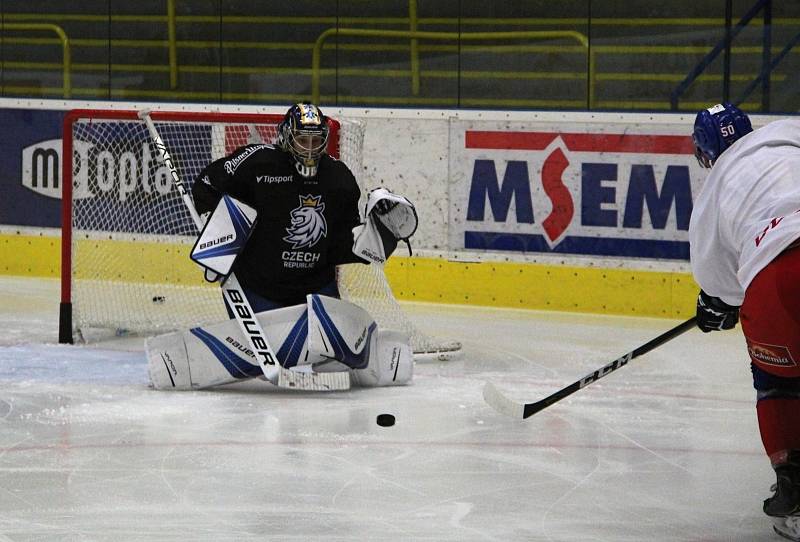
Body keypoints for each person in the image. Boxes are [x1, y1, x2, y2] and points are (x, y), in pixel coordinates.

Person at [689, 102, 800, 540]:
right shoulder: (791, 132)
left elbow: (719, 287)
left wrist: (718, 305)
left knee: (777, 376)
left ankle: (794, 479)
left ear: (704, 154)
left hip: (778, 277)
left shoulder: (715, 191)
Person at [191, 101, 401, 313]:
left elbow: (340, 242)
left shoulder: (339, 179)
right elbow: (207, 184)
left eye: (315, 140)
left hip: (316, 288)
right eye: (302, 140)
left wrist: (371, 240)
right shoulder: (256, 164)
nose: (309, 149)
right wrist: (215, 236)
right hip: (257, 288)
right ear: (286, 137)